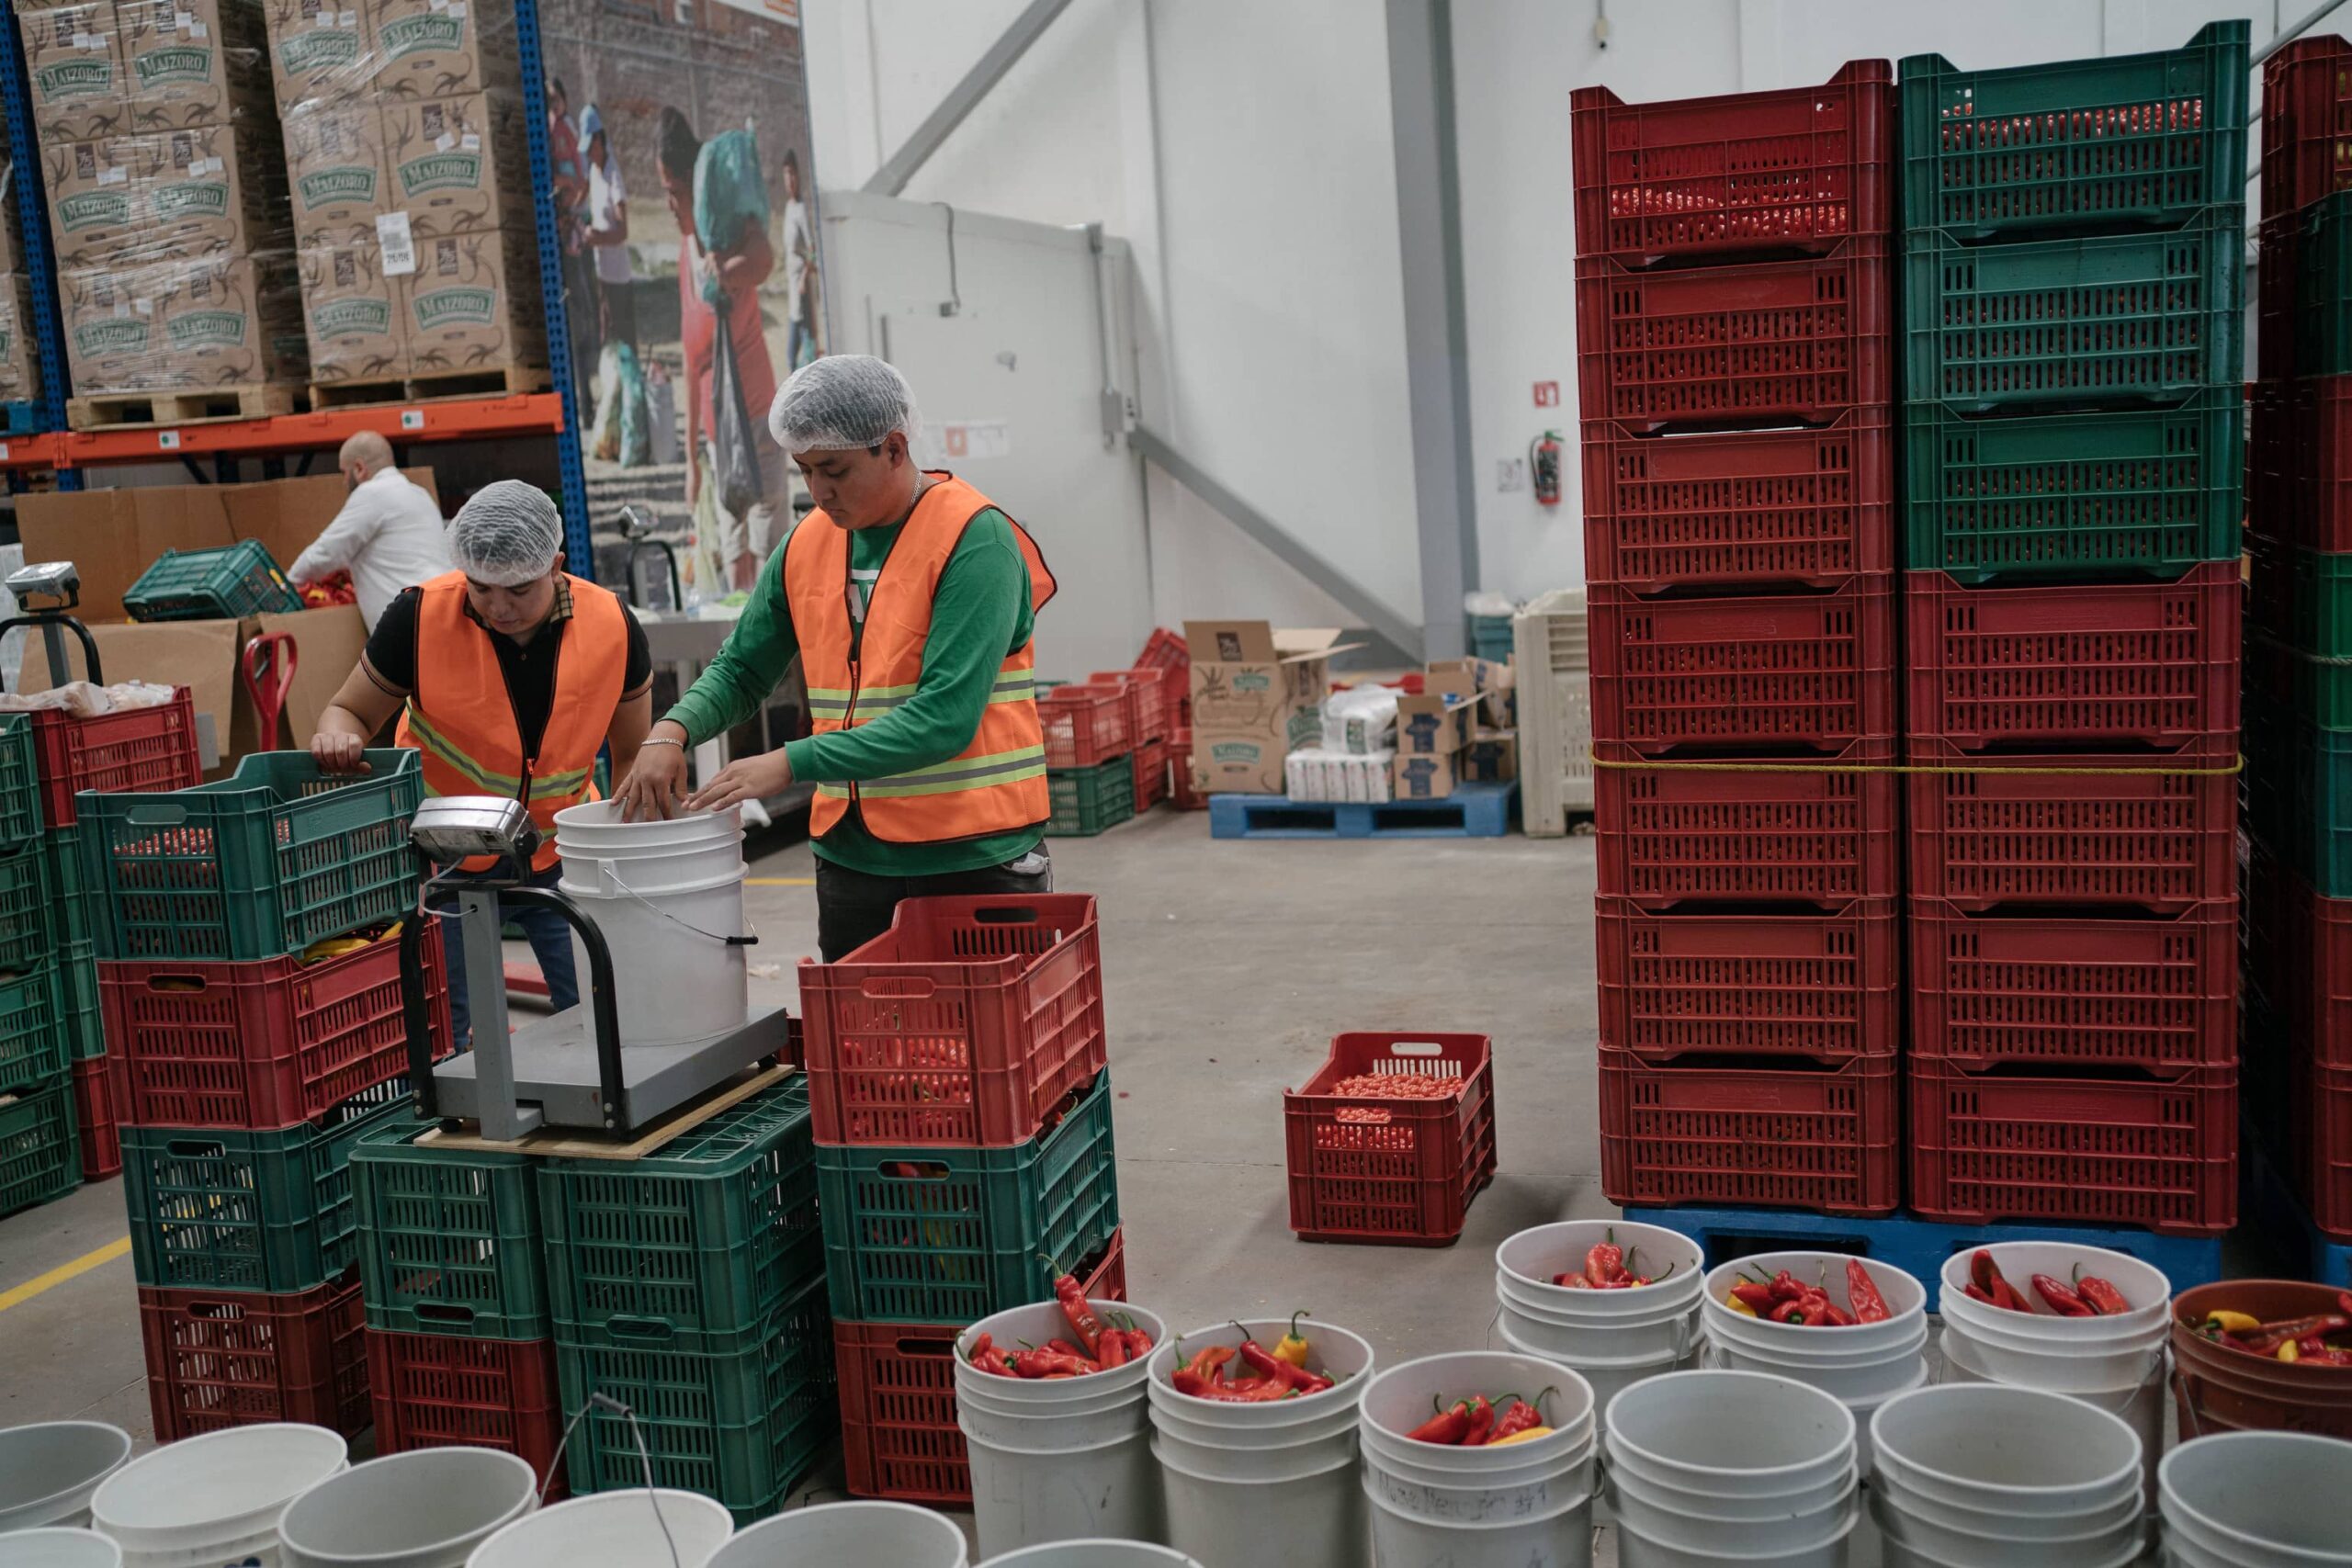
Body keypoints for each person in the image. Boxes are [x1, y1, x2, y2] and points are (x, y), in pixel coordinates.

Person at [615, 356, 1058, 962]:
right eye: (805, 471)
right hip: (853, 860)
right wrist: (671, 730)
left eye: (835, 470)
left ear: (895, 449)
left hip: (972, 857)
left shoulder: (974, 539)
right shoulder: (808, 542)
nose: (818, 491)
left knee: (988, 1048)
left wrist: (792, 762)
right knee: (870, 1042)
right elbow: (742, 668)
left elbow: (945, 718)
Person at [311, 480, 656, 1045]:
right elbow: (347, 710)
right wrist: (336, 737)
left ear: (556, 566)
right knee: (445, 1033)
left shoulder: (612, 625)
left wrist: (620, 854)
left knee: (604, 1017)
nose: (498, 607)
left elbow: (632, 756)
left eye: (518, 589)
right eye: (481, 587)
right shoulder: (418, 616)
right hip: (442, 859)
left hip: (558, 853)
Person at [658, 106, 791, 592]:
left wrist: (726, 270)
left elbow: (764, 258)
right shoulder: (682, 258)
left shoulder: (729, 240)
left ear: (695, 187)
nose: (670, 206)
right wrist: (693, 459)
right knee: (734, 562)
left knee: (769, 554)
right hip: (719, 440)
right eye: (665, 194)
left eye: (675, 193)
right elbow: (693, 365)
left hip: (756, 422)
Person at [288, 433, 453, 632]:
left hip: (410, 623)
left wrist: (287, 584)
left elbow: (326, 553)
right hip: (444, 610)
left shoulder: (372, 493)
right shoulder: (419, 494)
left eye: (344, 473)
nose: (344, 481)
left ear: (359, 468)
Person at [580, 104, 635, 357]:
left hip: (618, 277)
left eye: (591, 147)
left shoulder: (614, 177)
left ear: (600, 141)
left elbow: (623, 232)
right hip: (602, 272)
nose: (589, 154)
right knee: (607, 340)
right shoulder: (594, 171)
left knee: (624, 343)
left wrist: (598, 238)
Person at [780, 148, 818, 370]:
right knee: (793, 358)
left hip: (802, 293)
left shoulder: (802, 210)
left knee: (797, 357)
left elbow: (812, 250)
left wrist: (805, 276)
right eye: (786, 174)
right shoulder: (788, 208)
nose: (790, 179)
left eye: (793, 174)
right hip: (793, 291)